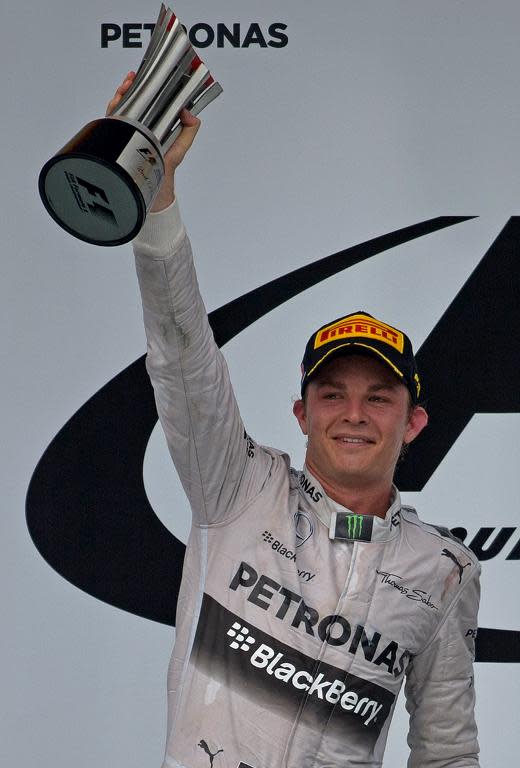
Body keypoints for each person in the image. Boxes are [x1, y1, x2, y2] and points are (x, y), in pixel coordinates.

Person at [108, 74, 481, 768]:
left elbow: (448, 746)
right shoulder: (237, 491)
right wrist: (157, 206)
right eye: (333, 395)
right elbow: (182, 353)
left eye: (379, 398)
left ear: (414, 424)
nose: (354, 415)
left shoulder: (443, 569)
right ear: (302, 414)